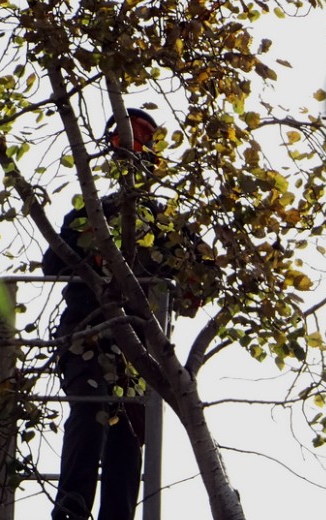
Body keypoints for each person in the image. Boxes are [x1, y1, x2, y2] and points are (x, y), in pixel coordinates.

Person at [41, 109, 214, 520]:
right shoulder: (90, 215)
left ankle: (116, 515)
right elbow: (54, 263)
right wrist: (94, 253)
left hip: (142, 345)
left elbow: (201, 281)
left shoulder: (169, 224)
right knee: (89, 409)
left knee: (128, 435)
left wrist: (172, 280)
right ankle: (73, 505)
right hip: (88, 334)